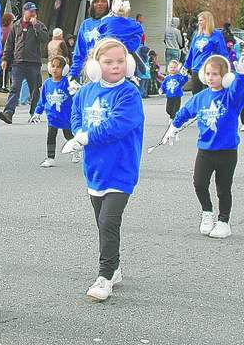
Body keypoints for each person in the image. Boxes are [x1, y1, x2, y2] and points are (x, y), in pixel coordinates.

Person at [61, 38, 144, 301]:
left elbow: (118, 125)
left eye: (121, 61)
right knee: (102, 223)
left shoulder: (129, 94)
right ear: (96, 65)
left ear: (128, 63)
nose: (116, 66)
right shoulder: (86, 92)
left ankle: (105, 275)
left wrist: (85, 138)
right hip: (94, 169)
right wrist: (78, 132)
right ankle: (115, 266)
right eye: (109, 62)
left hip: (121, 169)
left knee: (109, 221)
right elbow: (75, 115)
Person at [162, 52, 244, 240]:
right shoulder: (201, 97)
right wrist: (173, 127)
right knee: (199, 183)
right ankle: (207, 212)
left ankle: (223, 221)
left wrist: (242, 76)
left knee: (223, 188)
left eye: (216, 74)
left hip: (227, 151)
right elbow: (185, 111)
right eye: (209, 74)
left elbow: (239, 93)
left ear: (225, 77)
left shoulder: (231, 97)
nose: (211, 78)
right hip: (205, 149)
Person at [0, 1, 48, 124]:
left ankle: (34, 113)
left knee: (34, 89)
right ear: (24, 11)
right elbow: (10, 44)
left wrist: (36, 26)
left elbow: (44, 39)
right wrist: (5, 59)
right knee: (15, 88)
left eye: (34, 11)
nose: (33, 13)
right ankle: (8, 112)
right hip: (18, 62)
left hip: (33, 62)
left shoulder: (39, 25)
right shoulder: (16, 25)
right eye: (30, 11)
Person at [30, 55, 75, 167]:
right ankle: (50, 158)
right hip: (52, 117)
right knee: (51, 136)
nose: (55, 69)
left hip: (66, 116)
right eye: (53, 66)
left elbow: (76, 97)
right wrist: (37, 112)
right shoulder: (47, 83)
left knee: (68, 136)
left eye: (58, 67)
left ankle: (76, 150)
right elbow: (42, 100)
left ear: (64, 69)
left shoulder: (67, 82)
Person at [68, 0, 110, 90]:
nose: (100, 4)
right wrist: (73, 73)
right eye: (96, 1)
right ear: (92, 4)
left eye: (103, 1)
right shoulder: (86, 24)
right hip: (90, 72)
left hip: (108, 71)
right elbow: (80, 52)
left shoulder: (112, 22)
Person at [183, 11, 229, 94]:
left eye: (201, 20)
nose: (199, 23)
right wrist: (186, 66)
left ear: (207, 21)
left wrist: (226, 67)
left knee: (208, 94)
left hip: (209, 69)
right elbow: (191, 52)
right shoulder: (197, 35)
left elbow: (222, 52)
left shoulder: (216, 34)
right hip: (196, 69)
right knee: (196, 95)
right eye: (198, 21)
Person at [0, 12, 14, 93]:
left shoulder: (1, 29)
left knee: (4, 70)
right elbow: (4, 41)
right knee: (5, 69)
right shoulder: (8, 30)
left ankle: (2, 85)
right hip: (5, 52)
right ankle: (1, 85)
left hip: (2, 52)